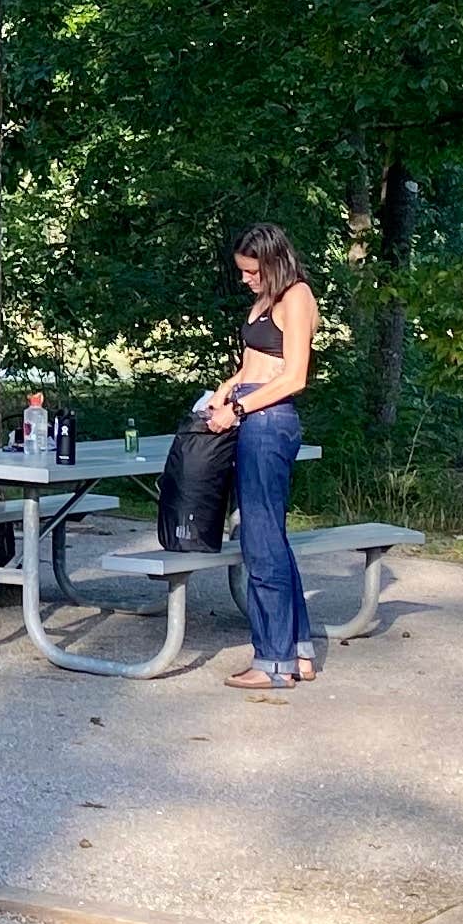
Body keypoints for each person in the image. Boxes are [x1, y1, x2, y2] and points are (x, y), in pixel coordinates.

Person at [208, 223, 319, 695]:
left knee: (260, 539)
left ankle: (272, 661)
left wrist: (238, 408)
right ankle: (298, 649)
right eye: (243, 272)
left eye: (252, 271)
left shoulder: (296, 297)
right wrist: (225, 389)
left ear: (274, 262)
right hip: (251, 408)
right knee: (270, 536)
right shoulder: (268, 299)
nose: (246, 279)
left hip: (269, 420)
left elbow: (294, 376)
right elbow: (255, 361)